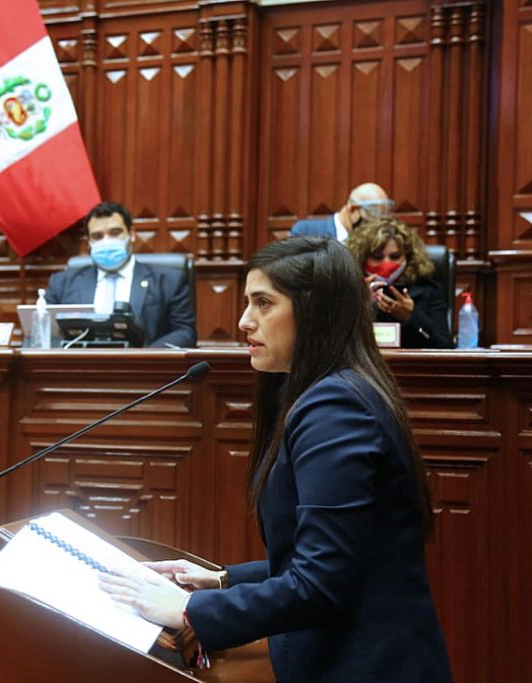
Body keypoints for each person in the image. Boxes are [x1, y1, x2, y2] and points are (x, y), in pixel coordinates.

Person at [99, 237, 452, 683]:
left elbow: (321, 584)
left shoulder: (336, 409)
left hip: (369, 666)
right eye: (248, 302)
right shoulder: (332, 391)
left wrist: (188, 609)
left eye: (264, 303)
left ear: (315, 311)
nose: (245, 321)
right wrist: (222, 580)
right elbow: (344, 554)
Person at [45, 201, 196, 347]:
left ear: (132, 234)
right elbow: (46, 333)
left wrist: (145, 359)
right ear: (89, 242)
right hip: (82, 368)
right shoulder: (62, 283)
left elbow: (185, 332)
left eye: (115, 233)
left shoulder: (169, 280)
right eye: (97, 236)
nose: (107, 241)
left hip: (143, 368)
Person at [346, 218, 453, 349]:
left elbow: (445, 347)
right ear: (361, 258)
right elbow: (332, 346)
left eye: (395, 257)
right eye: (377, 257)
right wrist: (360, 306)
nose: (386, 264)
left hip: (413, 366)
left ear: (408, 258)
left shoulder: (429, 291)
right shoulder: (349, 290)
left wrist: (412, 316)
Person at [290, 182, 394, 242]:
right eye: (370, 222)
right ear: (353, 210)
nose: (375, 230)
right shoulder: (305, 232)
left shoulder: (378, 242)